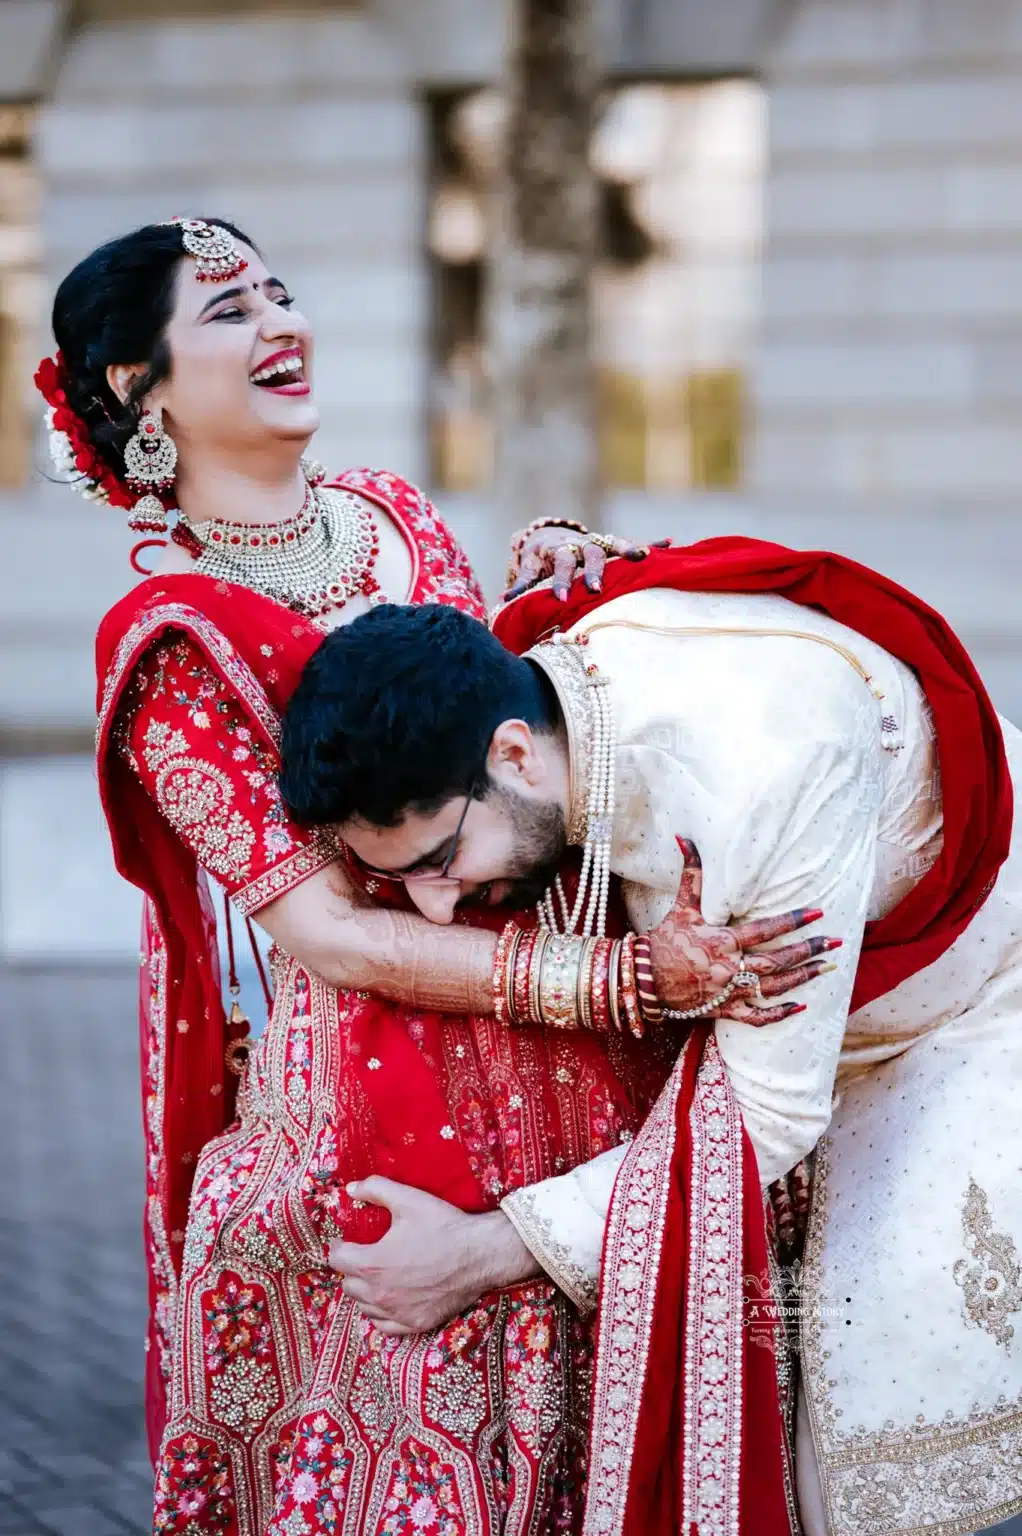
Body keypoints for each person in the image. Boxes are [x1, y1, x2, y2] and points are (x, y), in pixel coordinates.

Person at [41, 217, 827, 1536]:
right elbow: (334, 934)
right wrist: (621, 977)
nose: (281, 322)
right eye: (229, 310)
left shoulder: (396, 515)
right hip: (382, 1105)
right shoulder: (175, 643)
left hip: (579, 1069)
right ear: (140, 390)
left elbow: (499, 760)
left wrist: (553, 620)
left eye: (281, 290)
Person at [278, 568, 1020, 1536]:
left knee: (869, 1450)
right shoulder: (552, 688)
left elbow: (768, 1115)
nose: (436, 908)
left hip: (961, 1011)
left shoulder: (760, 773)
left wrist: (476, 1253)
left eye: (435, 862)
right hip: (802, 1033)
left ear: (513, 753)